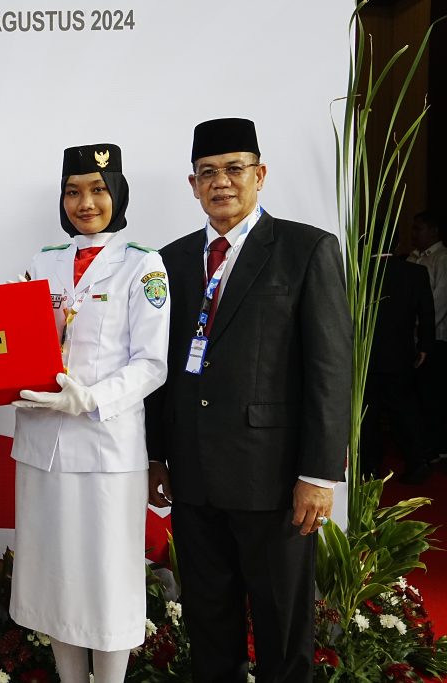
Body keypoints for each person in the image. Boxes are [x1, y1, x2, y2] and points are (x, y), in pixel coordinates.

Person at [145, 118, 351, 682]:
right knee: (209, 626)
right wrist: (157, 455)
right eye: (207, 173)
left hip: (274, 479)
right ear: (192, 186)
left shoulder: (306, 249)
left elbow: (331, 369)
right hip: (193, 478)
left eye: (235, 169)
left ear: (259, 175)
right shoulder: (170, 261)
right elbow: (159, 369)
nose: (222, 182)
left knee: (284, 630)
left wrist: (318, 473)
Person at [9, 143, 170, 683]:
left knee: (106, 581)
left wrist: (92, 398)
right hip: (41, 446)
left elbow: (153, 364)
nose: (86, 202)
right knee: (55, 579)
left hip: (107, 447)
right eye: (74, 191)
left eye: (99, 190)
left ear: (118, 194)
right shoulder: (42, 261)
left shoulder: (144, 264)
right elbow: (15, 344)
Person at [361, 243, 434, 483]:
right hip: (400, 354)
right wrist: (424, 345)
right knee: (404, 411)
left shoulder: (358, 270)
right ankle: (417, 462)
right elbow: (426, 312)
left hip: (365, 355)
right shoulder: (414, 272)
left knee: (367, 415)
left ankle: (369, 468)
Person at [407, 210, 447, 457]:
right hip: (412, 337)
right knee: (419, 394)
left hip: (436, 338)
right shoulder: (412, 259)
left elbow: (439, 302)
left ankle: (438, 445)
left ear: (433, 231)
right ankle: (423, 444)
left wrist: (424, 334)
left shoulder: (441, 259)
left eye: (419, 228)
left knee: (435, 394)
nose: (414, 233)